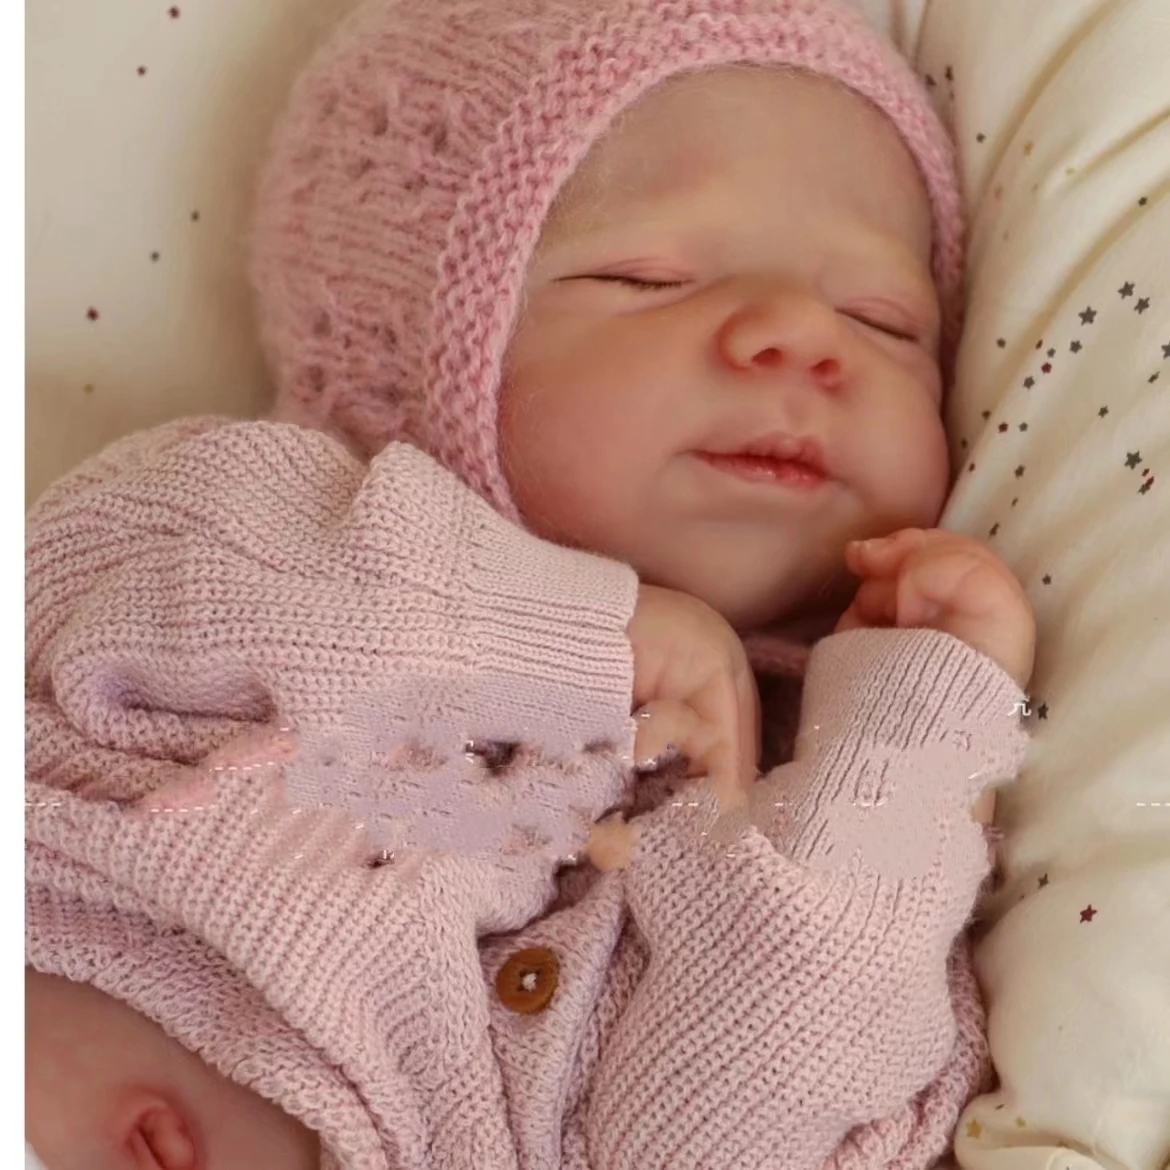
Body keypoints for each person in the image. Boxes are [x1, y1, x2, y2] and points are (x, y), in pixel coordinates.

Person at [25, 0, 1036, 1166]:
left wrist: (908, 753)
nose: (805, 336)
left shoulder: (775, 801)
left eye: (883, 320)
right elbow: (103, 592)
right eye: (648, 276)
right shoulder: (253, 523)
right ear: (420, 348)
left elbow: (725, 1136)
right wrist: (588, 639)